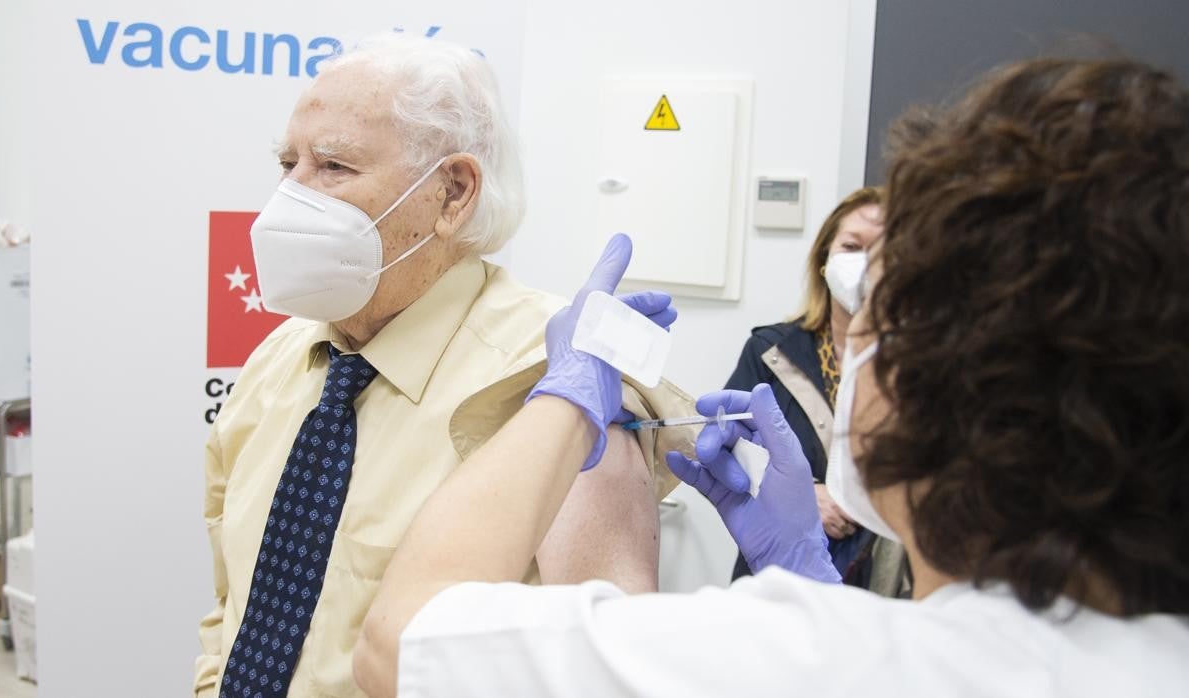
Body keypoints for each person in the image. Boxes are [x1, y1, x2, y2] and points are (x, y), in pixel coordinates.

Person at [351, 56, 1189, 697]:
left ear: (929, 376)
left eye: (876, 311)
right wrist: (809, 573)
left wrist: (566, 398)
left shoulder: (799, 662)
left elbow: (402, 639)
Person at [194, 34, 693, 698]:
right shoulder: (277, 361)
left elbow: (597, 678)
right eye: (288, 164)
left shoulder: (561, 393)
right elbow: (232, 609)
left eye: (334, 167)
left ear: (453, 193)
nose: (290, 197)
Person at [723, 187, 901, 590]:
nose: (866, 264)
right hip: (779, 572)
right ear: (824, 260)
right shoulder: (770, 351)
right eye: (852, 246)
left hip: (877, 581)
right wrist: (799, 496)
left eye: (882, 251)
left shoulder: (921, 361)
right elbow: (729, 444)